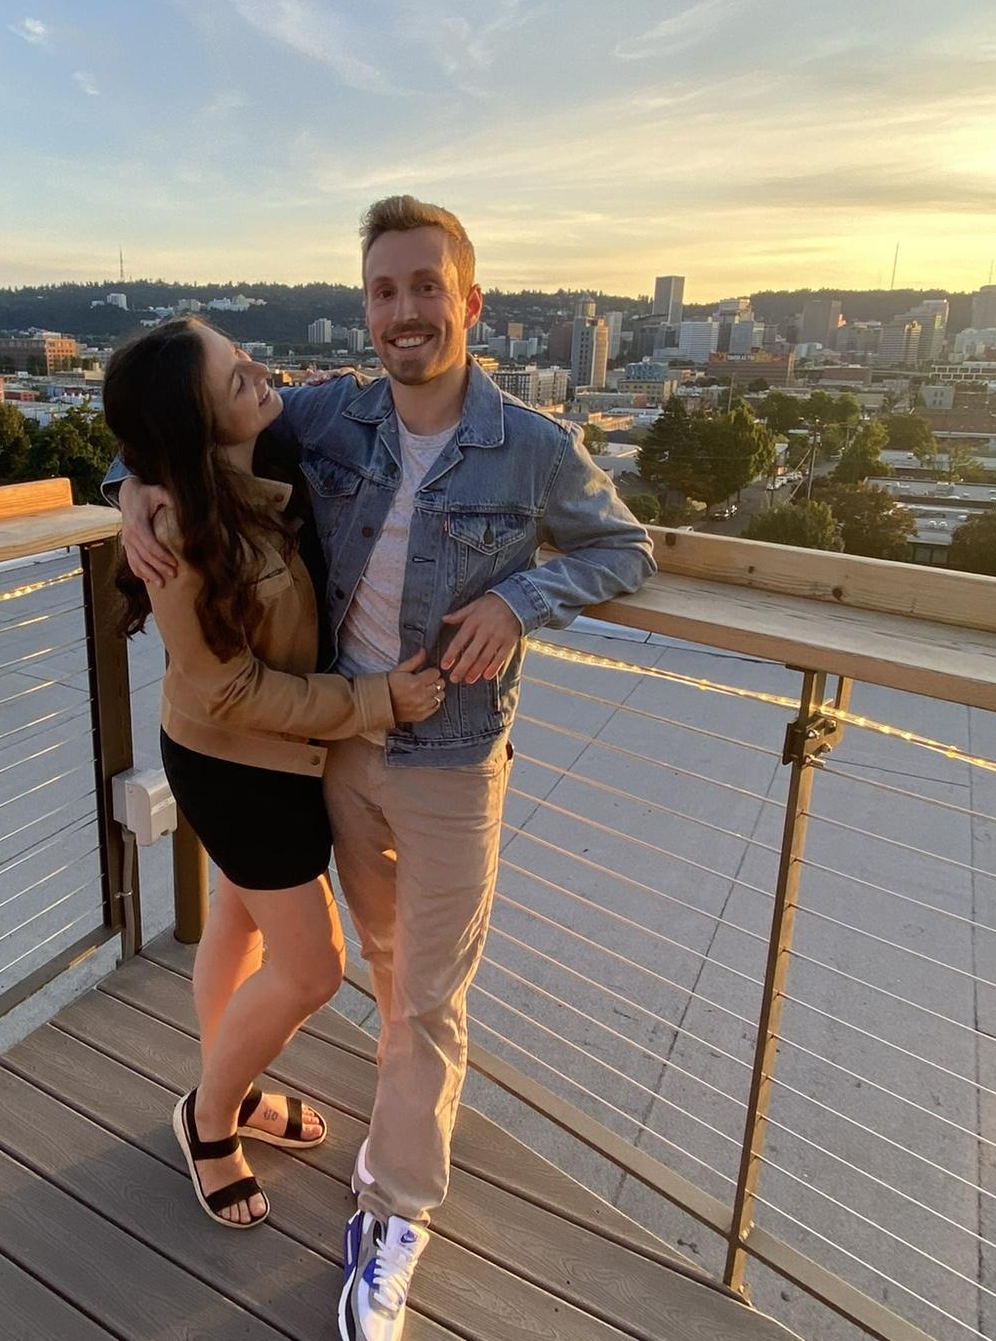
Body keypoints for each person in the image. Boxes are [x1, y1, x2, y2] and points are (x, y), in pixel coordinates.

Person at [112, 198, 656, 1340]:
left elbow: (624, 547)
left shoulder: (534, 445)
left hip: (451, 759)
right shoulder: (333, 416)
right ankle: (221, 1110)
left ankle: (393, 1209)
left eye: (425, 287)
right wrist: (131, 496)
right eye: (383, 290)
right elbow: (176, 421)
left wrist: (520, 598)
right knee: (379, 973)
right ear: (366, 308)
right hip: (338, 752)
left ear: (471, 302)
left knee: (429, 999)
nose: (404, 311)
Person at [101, 319, 445, 1234]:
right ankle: (209, 1118)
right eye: (233, 375)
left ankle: (233, 1083)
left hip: (285, 751)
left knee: (238, 921)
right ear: (196, 425)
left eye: (241, 352)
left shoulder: (272, 445)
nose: (258, 369)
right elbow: (231, 688)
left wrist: (126, 484)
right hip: (235, 764)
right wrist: (377, 701)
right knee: (313, 968)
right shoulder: (178, 527)